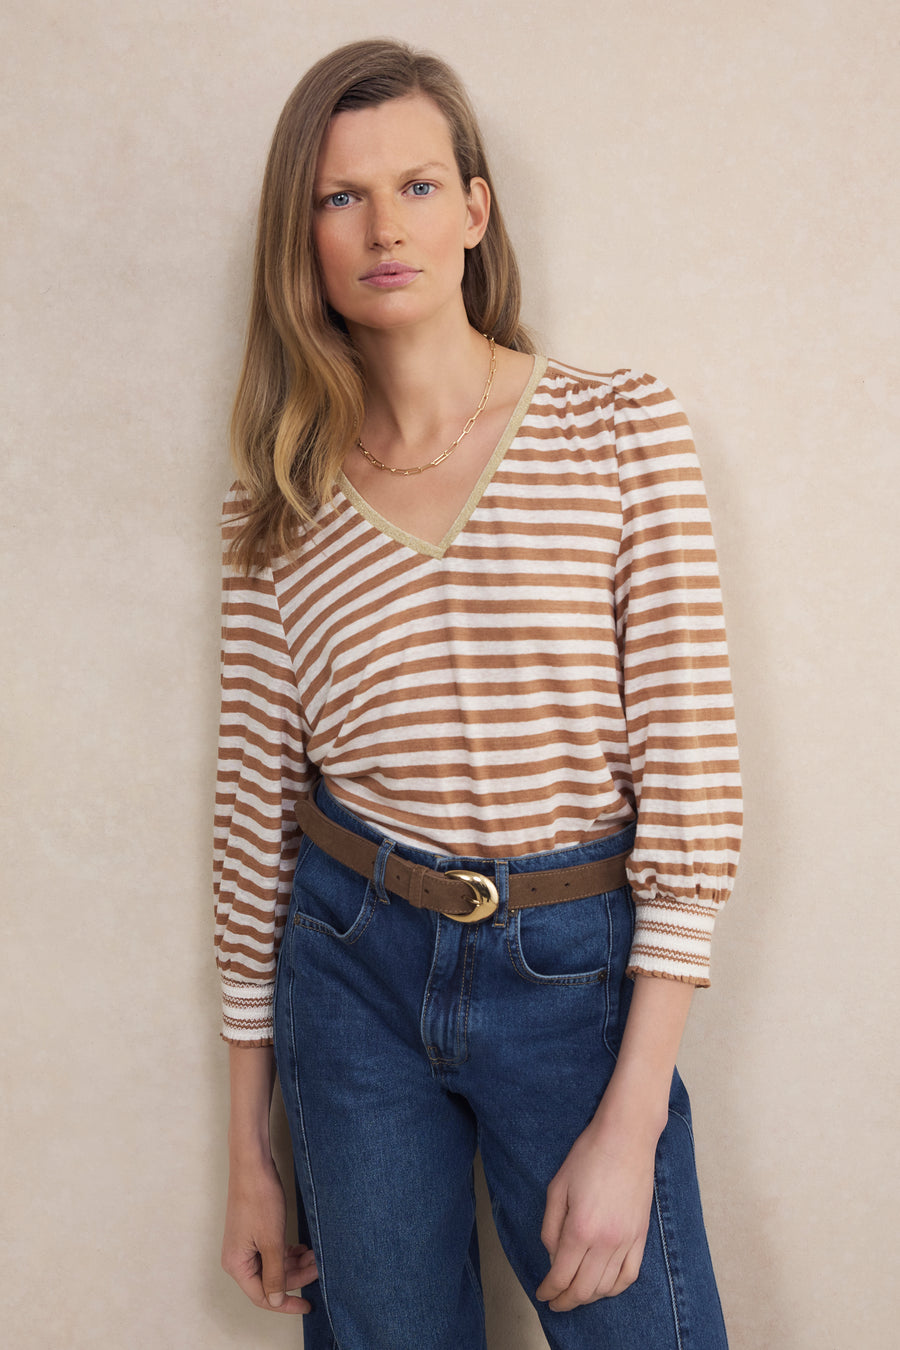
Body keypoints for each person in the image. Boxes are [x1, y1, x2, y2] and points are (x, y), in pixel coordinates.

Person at [214, 37, 741, 1350]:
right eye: (340, 197)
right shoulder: (280, 498)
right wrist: (252, 1156)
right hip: (350, 970)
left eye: (416, 186)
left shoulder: (620, 429)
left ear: (475, 209)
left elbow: (692, 785)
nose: (384, 228)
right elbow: (251, 821)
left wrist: (632, 1121)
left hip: (572, 968)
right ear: (302, 238)